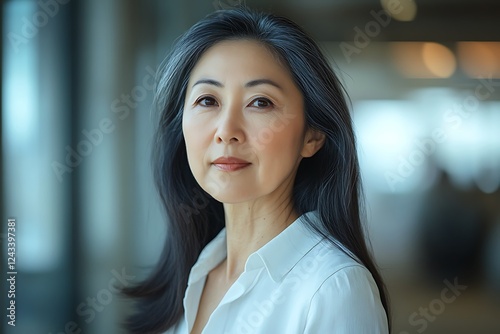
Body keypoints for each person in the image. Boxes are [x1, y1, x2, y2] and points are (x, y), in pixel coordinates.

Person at [124, 6, 390, 334]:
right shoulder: (193, 274)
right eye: (207, 100)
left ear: (313, 135)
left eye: (260, 102)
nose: (226, 130)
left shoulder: (333, 289)